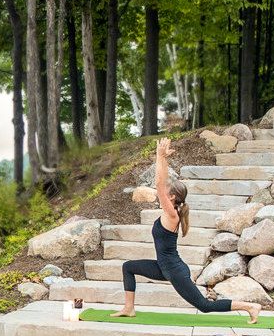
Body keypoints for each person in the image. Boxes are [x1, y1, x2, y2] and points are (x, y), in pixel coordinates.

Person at [112, 137, 262, 323]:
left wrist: (158, 156)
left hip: (174, 270)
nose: (162, 193)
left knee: (204, 306)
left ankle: (250, 307)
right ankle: (129, 308)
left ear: (172, 197)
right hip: (163, 267)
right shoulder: (171, 212)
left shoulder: (172, 215)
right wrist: (164, 158)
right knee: (128, 267)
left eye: (166, 193)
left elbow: (159, 183)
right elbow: (163, 182)